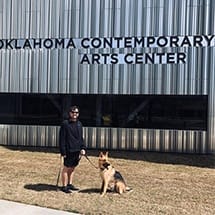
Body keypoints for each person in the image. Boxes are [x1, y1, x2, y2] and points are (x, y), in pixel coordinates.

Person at [59, 105, 86, 193]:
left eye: (76, 112)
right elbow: (62, 139)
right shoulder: (65, 124)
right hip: (68, 150)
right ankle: (64, 186)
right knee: (66, 168)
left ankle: (70, 184)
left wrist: (82, 148)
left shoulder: (79, 124)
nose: (74, 114)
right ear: (70, 113)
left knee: (73, 167)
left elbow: (80, 138)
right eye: (73, 112)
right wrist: (63, 151)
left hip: (77, 150)